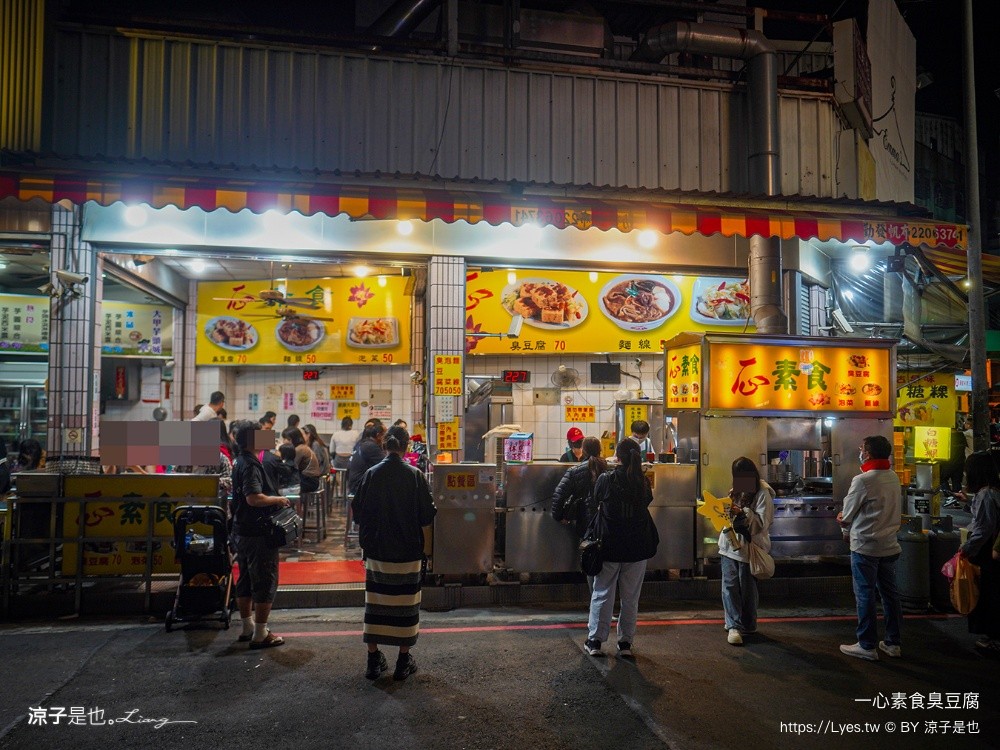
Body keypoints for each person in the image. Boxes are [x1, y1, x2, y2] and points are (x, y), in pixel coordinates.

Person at [351, 425, 437, 681]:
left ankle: (373, 660)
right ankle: (402, 660)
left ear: (384, 446)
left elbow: (358, 512)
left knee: (375, 605)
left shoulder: (370, 474)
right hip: (407, 551)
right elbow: (426, 516)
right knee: (405, 606)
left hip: (377, 550)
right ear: (406, 446)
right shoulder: (414, 475)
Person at [584, 439, 658, 659]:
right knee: (630, 597)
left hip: (609, 545)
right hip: (637, 546)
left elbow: (596, 498)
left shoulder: (607, 479)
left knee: (603, 592)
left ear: (617, 456)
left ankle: (595, 640)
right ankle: (625, 644)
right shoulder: (642, 481)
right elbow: (647, 501)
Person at [837, 435, 903, 661]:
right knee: (890, 595)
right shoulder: (893, 477)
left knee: (865, 594)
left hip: (865, 547)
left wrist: (843, 519)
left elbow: (846, 515)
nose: (860, 451)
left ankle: (866, 645)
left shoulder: (863, 480)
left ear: (868, 454)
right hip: (889, 545)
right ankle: (893, 643)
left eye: (862, 449)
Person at [229, 419, 291, 649]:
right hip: (257, 533)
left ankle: (247, 626)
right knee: (265, 580)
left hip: (241, 530)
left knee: (244, 579)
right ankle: (261, 633)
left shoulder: (240, 461)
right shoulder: (252, 465)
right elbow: (253, 498)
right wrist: (278, 499)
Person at [719, 457, 775, 646]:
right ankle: (733, 625)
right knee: (730, 586)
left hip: (748, 548)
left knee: (747, 588)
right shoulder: (735, 489)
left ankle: (749, 624)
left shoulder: (762, 492)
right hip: (729, 545)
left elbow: (763, 523)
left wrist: (743, 513)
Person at [957, 450, 1000, 654]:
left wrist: (966, 549)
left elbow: (983, 528)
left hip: (987, 551)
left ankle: (993, 638)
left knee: (989, 593)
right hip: (990, 549)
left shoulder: (986, 494)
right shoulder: (992, 491)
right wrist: (968, 502)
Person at [348, 423, 387, 496]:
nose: (386, 438)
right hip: (360, 485)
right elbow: (387, 463)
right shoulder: (370, 446)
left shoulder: (362, 443)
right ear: (378, 435)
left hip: (356, 483)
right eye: (385, 435)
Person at [281, 427, 321, 493]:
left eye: (285, 439)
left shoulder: (299, 449)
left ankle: (290, 502)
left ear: (291, 439)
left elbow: (290, 467)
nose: (283, 441)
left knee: (280, 489)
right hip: (309, 480)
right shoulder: (302, 447)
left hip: (309, 481)